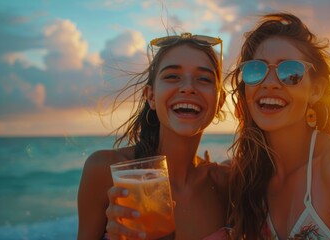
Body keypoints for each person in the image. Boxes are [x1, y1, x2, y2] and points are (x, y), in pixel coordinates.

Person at [227, 12, 330, 239]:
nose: (270, 83)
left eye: (290, 73)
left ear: (316, 90)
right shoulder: (249, 178)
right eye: (257, 70)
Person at [77, 32, 230, 240]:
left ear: (220, 101)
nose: (187, 88)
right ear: (150, 96)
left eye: (204, 79)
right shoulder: (108, 172)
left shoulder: (226, 183)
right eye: (172, 76)